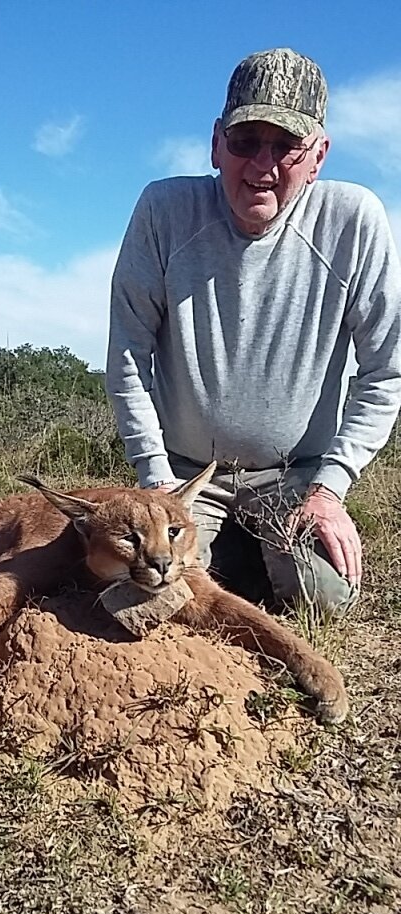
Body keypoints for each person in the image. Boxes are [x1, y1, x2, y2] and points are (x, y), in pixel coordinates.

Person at [106, 47, 401, 615]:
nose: (261, 165)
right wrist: (156, 478)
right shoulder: (163, 211)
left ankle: (250, 550)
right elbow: (127, 358)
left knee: (322, 599)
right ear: (216, 143)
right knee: (152, 599)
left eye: (286, 146)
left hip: (296, 478)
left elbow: (386, 371)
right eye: (244, 142)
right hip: (186, 477)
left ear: (317, 156)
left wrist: (329, 490)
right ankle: (231, 551)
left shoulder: (356, 220)